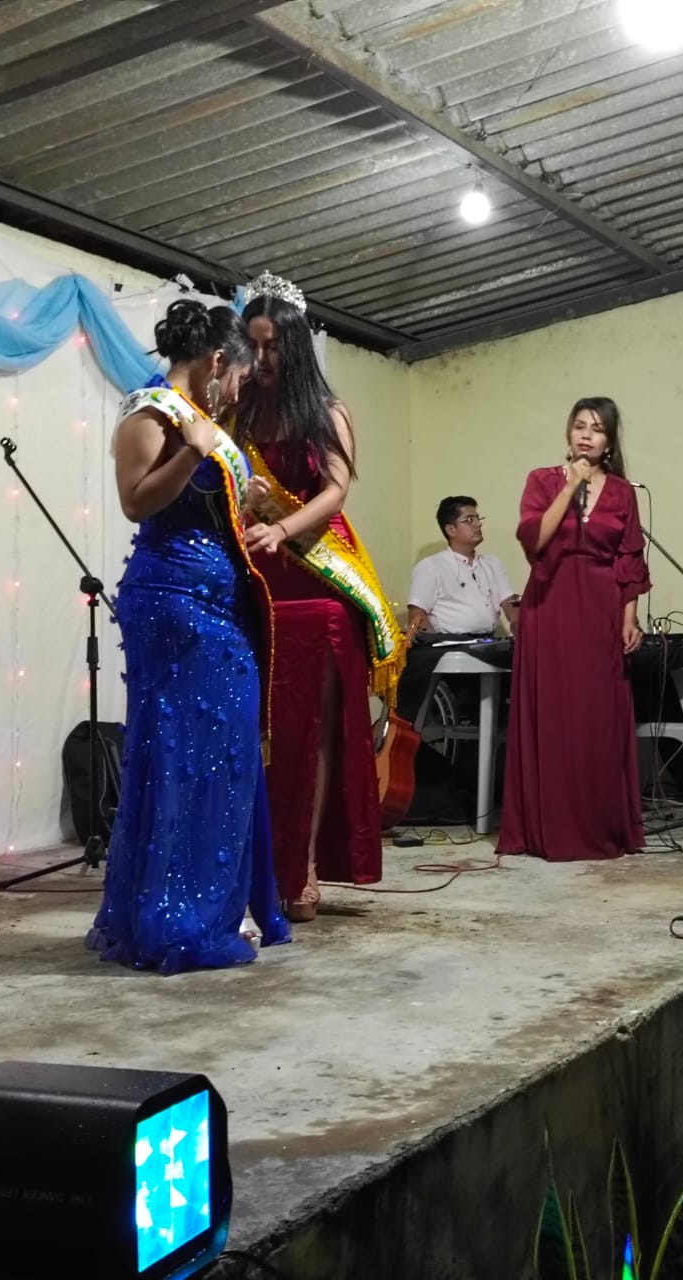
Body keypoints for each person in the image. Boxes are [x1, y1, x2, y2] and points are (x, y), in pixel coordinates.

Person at [87, 300, 291, 974]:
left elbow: (206, 509)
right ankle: (177, 918)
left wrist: (247, 503)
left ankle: (208, 906)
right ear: (217, 362)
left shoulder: (204, 421)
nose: (239, 392)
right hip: (172, 605)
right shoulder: (152, 411)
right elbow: (136, 499)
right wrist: (193, 454)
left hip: (217, 606)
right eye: (239, 378)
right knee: (182, 757)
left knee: (223, 753)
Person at [234, 273, 403, 922]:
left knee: (316, 730)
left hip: (317, 568)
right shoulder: (239, 411)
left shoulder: (327, 412)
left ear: (296, 346)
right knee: (260, 729)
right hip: (259, 572)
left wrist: (282, 527)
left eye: (273, 346)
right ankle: (252, 865)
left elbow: (334, 491)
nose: (262, 358)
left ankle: (301, 864)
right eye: (254, 345)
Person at [497, 396, 650, 861]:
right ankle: (547, 829)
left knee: (595, 717)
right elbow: (535, 539)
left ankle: (599, 825)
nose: (586, 434)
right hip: (550, 602)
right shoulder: (542, 480)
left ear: (609, 441)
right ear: (568, 433)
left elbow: (630, 558)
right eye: (580, 425)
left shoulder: (622, 492)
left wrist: (629, 617)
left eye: (597, 428)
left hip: (602, 608)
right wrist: (570, 487)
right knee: (553, 712)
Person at [407, 497, 520, 637]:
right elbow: (417, 614)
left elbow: (509, 601)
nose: (478, 524)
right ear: (451, 530)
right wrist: (433, 644)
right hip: (450, 645)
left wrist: (519, 625)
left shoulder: (493, 564)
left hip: (488, 642)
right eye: (470, 520)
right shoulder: (430, 566)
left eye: (478, 518)